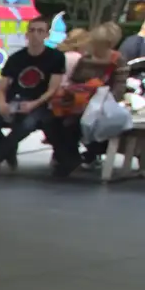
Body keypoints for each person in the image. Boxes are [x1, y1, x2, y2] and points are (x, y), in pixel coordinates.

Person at [0, 15, 64, 172]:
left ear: (47, 35)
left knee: (28, 123)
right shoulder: (16, 58)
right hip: (13, 100)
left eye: (40, 31)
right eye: (32, 30)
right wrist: (2, 103)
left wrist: (34, 104)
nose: (35, 34)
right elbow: (1, 87)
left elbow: (53, 89)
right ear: (26, 34)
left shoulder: (56, 58)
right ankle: (8, 152)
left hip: (39, 102)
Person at [46, 22, 126, 176]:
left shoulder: (118, 60)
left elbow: (119, 87)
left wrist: (99, 101)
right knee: (51, 120)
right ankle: (68, 157)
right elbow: (75, 79)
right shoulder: (86, 58)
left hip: (101, 104)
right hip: (78, 100)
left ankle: (78, 157)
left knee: (73, 123)